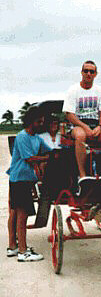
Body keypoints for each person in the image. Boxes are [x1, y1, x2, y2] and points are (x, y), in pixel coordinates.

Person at [7, 106, 52, 261]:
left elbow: (48, 151)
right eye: (39, 121)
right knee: (22, 215)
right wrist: (47, 159)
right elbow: (29, 158)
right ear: (32, 121)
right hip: (20, 179)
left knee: (15, 212)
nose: (41, 124)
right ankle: (23, 251)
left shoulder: (36, 138)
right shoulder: (22, 136)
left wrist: (53, 154)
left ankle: (13, 246)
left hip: (23, 179)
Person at [62, 61, 101, 190]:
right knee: (80, 135)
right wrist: (85, 127)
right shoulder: (73, 90)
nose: (88, 74)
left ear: (96, 74)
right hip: (77, 124)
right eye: (86, 71)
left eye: (91, 71)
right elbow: (69, 115)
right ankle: (82, 175)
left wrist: (99, 127)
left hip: (95, 124)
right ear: (81, 73)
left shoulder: (100, 91)